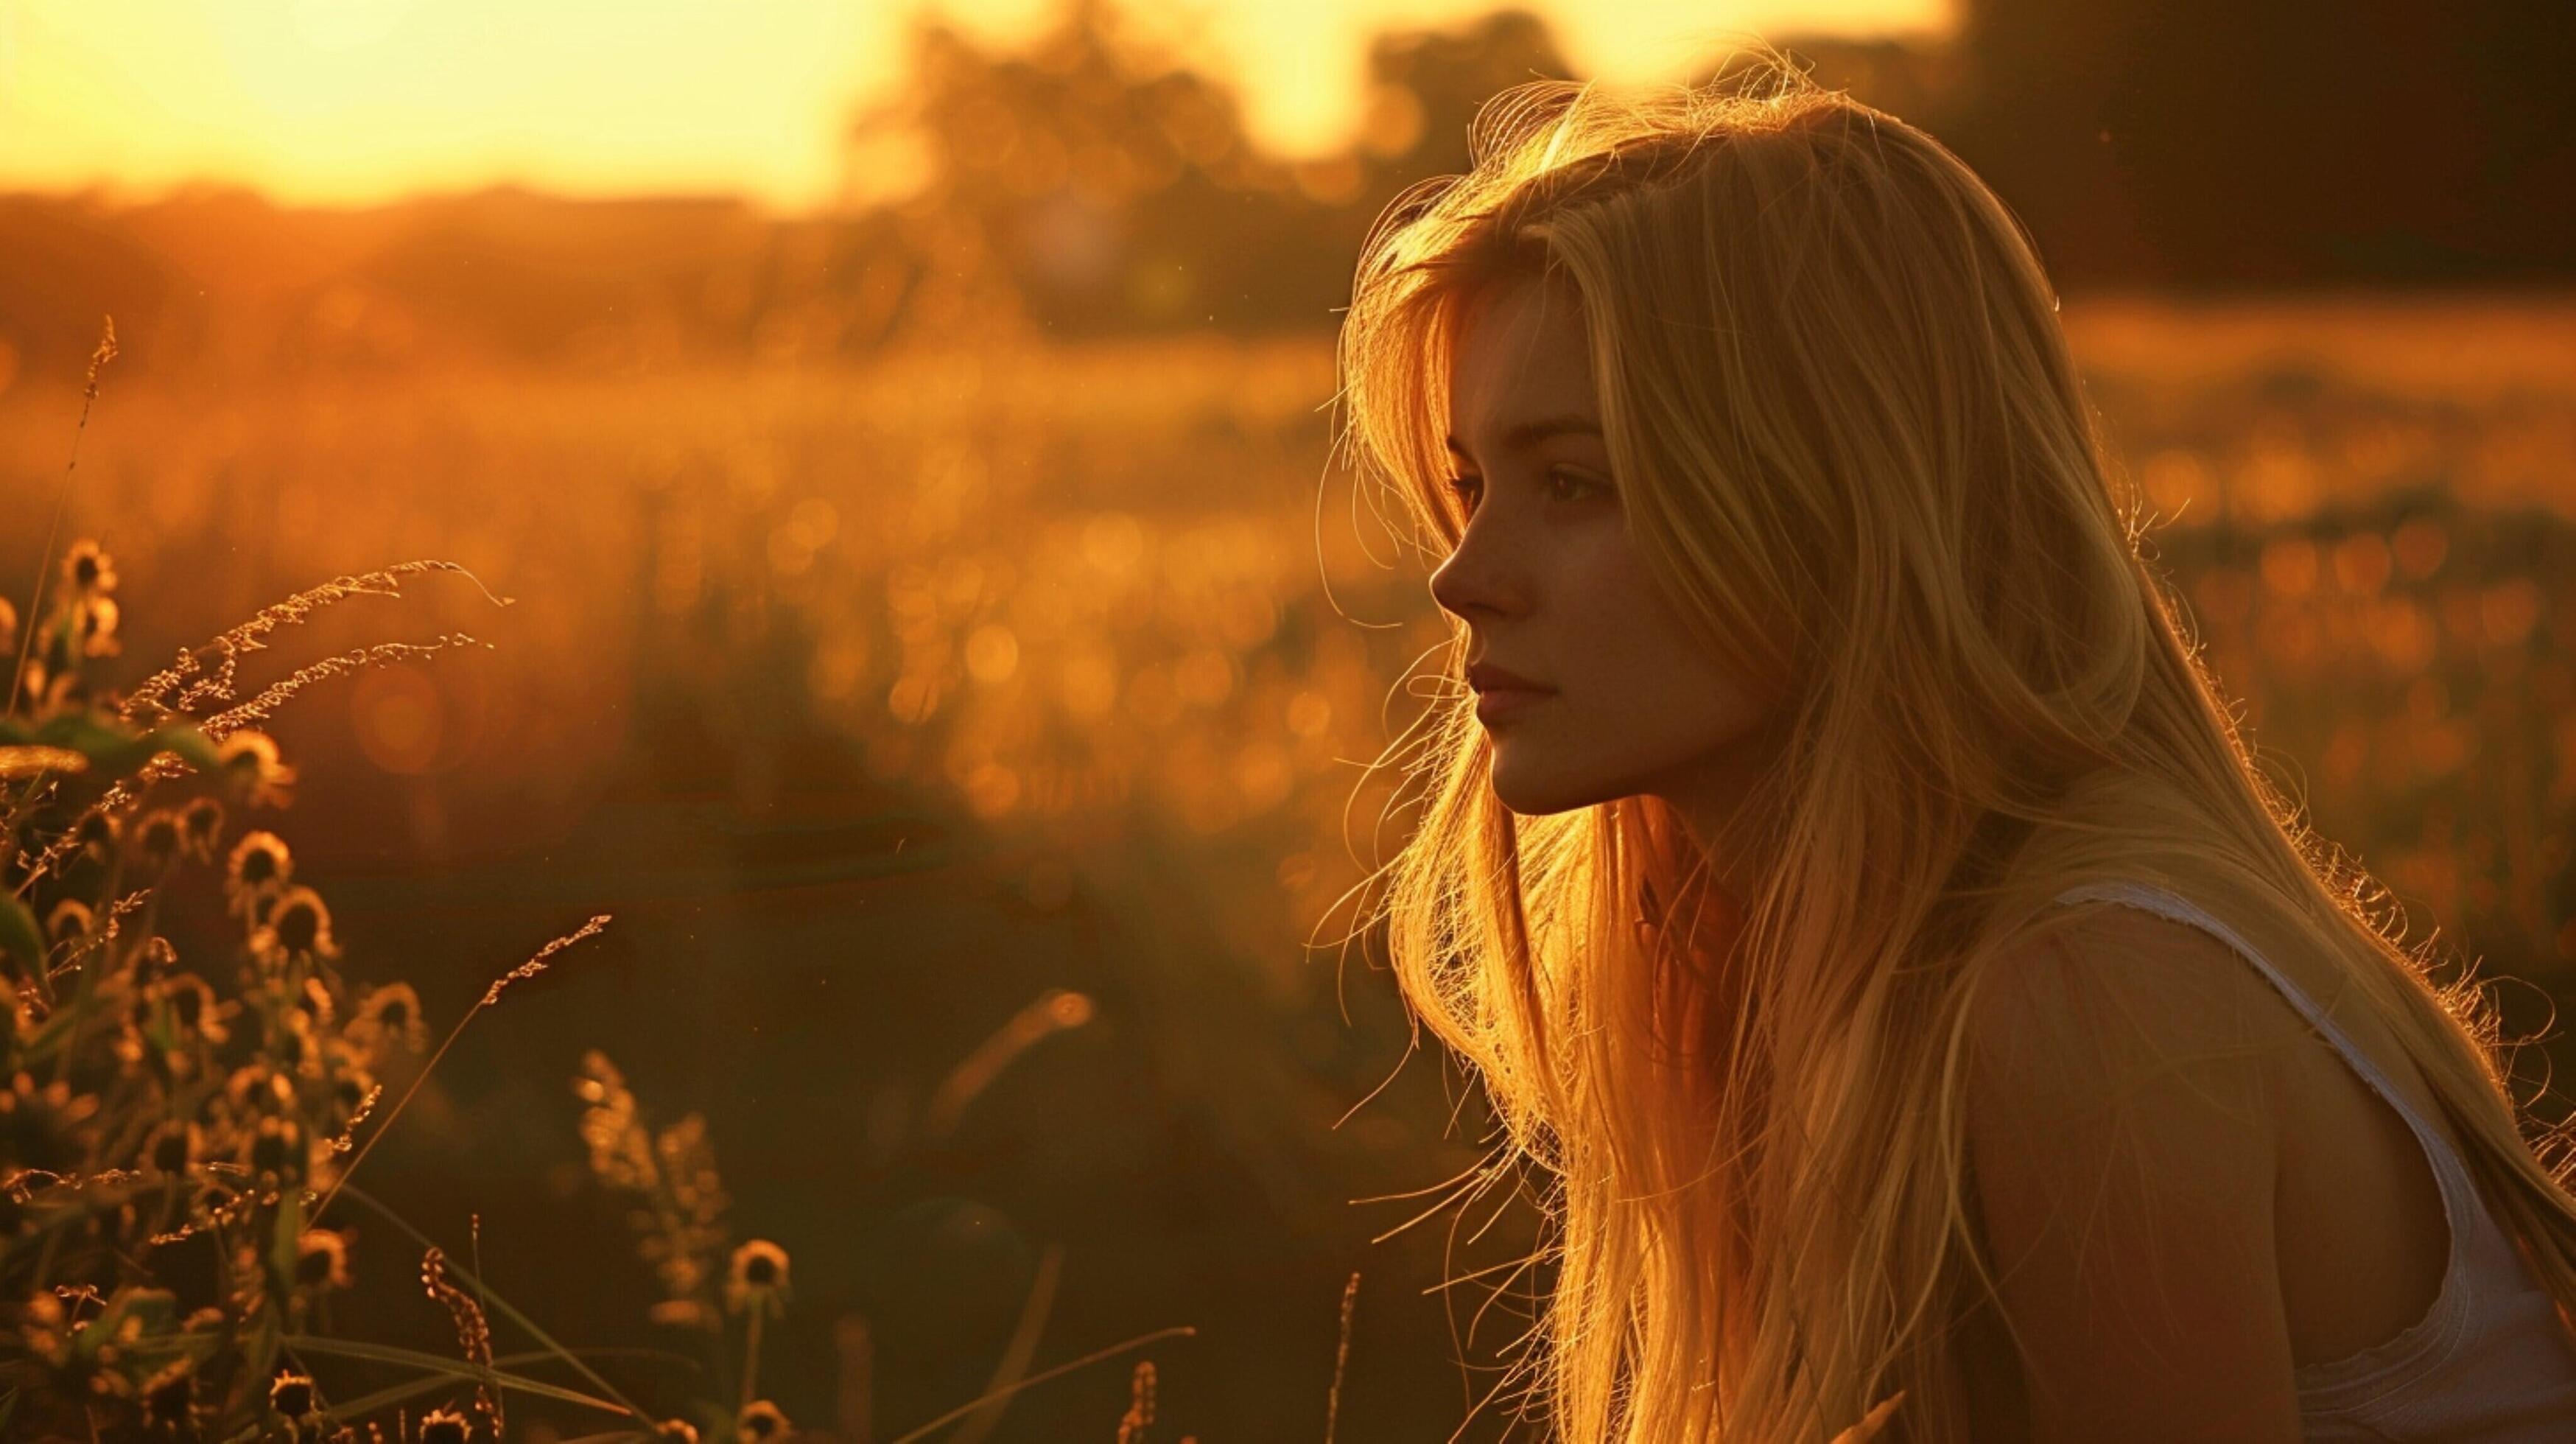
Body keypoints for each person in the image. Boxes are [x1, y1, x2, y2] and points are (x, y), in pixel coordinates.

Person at [1330, 52, 2576, 1443]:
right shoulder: (1823, 973)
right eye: (1469, 486)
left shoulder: (2085, 1001)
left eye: (1574, 484)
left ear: (1837, 506)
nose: (1462, 577)